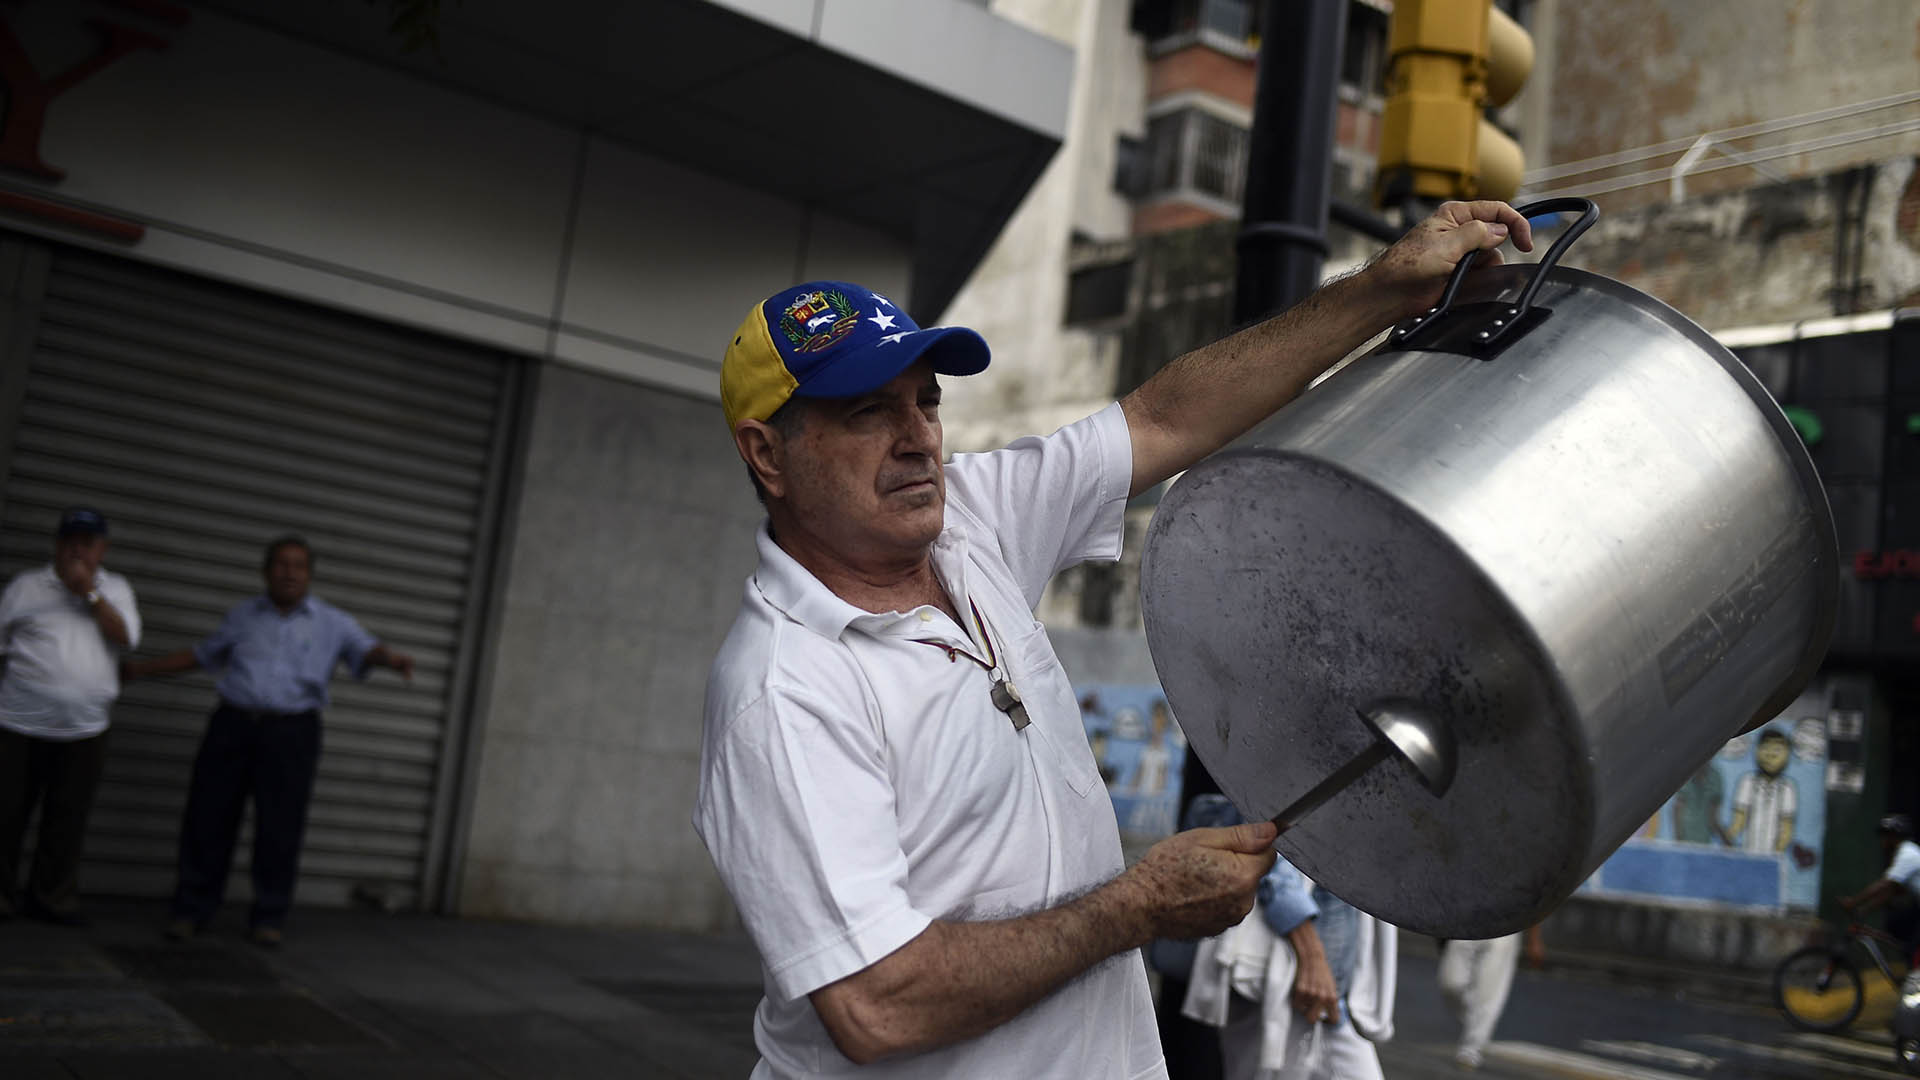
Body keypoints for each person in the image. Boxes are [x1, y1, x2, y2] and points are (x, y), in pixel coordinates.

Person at [694, 201, 1532, 1077]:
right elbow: (877, 1004)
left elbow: (1165, 417)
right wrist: (1138, 906)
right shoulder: (785, 690)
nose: (918, 440)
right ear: (767, 455)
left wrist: (1383, 292)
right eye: (870, 413)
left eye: (927, 403)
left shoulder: (971, 523)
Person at [122, 536, 413, 946]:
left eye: (298, 565)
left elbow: (367, 649)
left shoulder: (332, 622)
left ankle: (269, 917)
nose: (289, 572)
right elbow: (202, 655)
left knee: (280, 827)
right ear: (266, 571)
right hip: (233, 726)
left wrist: (392, 659)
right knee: (208, 819)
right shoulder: (242, 616)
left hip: (291, 732)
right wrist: (142, 670)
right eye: (281, 564)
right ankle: (191, 910)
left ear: (309, 574)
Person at [1180, 801, 1395, 1080]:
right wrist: (1312, 957)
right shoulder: (1293, 770)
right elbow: (1272, 857)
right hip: (1283, 980)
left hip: (1329, 995)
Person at [0, 507, 140, 926]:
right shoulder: (26, 587)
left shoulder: (116, 588)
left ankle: (52, 898)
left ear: (102, 549)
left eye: (88, 542)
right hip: (18, 723)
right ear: (58, 545)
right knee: (5, 814)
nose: (78, 549)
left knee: (67, 820)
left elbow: (127, 639)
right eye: (71, 541)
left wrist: (90, 596)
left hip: (86, 728)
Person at [1436, 924, 1546, 1070]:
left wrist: (1534, 940)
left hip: (1506, 928)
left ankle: (1472, 1048)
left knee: (1488, 992)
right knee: (1451, 983)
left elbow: (1533, 903)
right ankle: (1475, 1022)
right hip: (1468, 922)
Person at [1841, 813, 1920, 951]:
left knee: (1912, 950)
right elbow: (1891, 891)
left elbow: (1885, 884)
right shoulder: (1903, 853)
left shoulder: (1908, 854)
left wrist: (1853, 902)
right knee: (1908, 945)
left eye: (1886, 835)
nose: (1882, 839)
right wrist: (1864, 909)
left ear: (1895, 837)